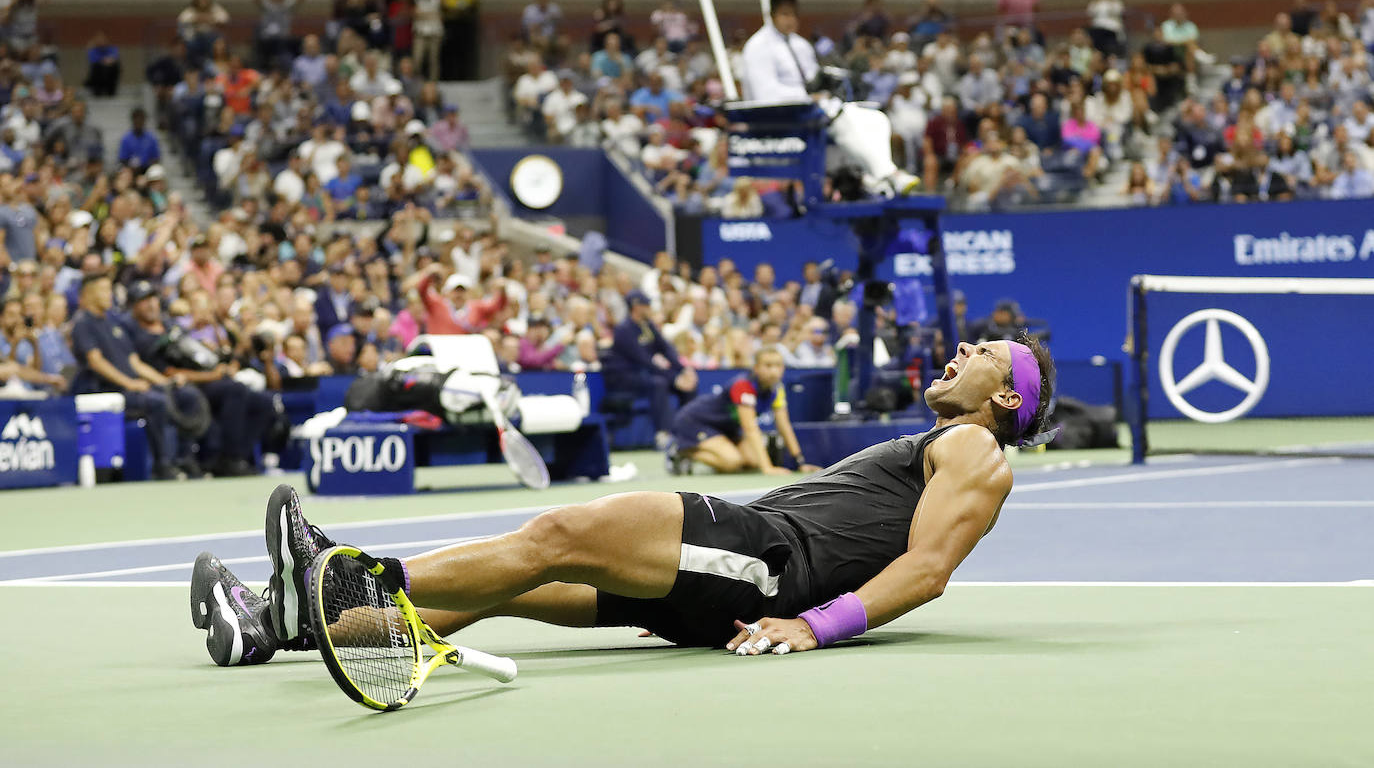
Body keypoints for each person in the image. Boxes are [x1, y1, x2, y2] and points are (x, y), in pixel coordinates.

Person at [190, 334, 1053, 665]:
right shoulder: (948, 442)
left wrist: (810, 623)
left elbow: (930, 567)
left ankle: (337, 580)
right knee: (508, 588)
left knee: (560, 529)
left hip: (765, 560)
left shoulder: (976, 446)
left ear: (1006, 397)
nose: (962, 349)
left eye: (983, 352)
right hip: (736, 575)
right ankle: (278, 625)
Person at [740, 0, 919, 198]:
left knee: (876, 118)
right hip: (779, 118)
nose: (791, 20)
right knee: (843, 121)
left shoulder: (801, 45)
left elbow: (813, 81)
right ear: (771, 15)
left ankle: (881, 176)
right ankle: (888, 176)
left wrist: (827, 87)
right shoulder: (757, 47)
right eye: (784, 14)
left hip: (811, 110)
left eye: (794, 15)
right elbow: (765, 95)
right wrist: (808, 97)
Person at [125, 279, 274, 478]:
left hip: (209, 376)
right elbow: (170, 373)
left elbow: (199, 354)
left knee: (263, 402)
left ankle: (239, 456)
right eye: (144, 300)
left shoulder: (170, 325)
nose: (151, 304)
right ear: (133, 306)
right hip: (187, 385)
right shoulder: (138, 335)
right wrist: (211, 375)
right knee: (235, 390)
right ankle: (230, 458)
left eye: (153, 298)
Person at [70, 274, 198, 480]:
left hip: (128, 389)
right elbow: (96, 361)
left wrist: (166, 382)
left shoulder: (113, 322)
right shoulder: (83, 323)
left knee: (183, 395)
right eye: (103, 290)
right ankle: (163, 465)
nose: (109, 294)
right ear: (89, 294)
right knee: (157, 402)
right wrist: (130, 383)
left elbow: (135, 363)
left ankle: (184, 459)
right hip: (105, 391)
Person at [665, 347, 809, 476]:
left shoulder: (777, 389)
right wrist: (767, 468)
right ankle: (680, 451)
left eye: (778, 365)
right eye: (768, 365)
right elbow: (750, 428)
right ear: (756, 368)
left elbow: (784, 426)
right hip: (695, 422)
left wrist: (800, 462)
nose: (774, 371)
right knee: (732, 461)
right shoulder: (743, 385)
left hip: (726, 428)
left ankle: (712, 456)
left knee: (751, 461)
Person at [601, 289, 697, 450]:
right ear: (636, 306)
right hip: (624, 378)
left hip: (645, 374)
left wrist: (684, 370)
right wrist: (674, 378)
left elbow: (665, 349)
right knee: (659, 383)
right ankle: (663, 434)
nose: (649, 308)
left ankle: (687, 430)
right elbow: (643, 360)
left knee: (689, 386)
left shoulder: (648, 326)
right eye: (646, 304)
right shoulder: (623, 330)